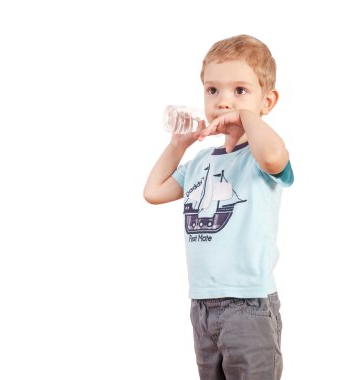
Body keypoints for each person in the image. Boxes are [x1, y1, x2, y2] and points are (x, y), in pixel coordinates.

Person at [143, 34, 294, 380]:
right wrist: (178, 144)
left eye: (240, 91)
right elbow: (153, 191)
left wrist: (248, 119)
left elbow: (273, 155)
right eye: (213, 90)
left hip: (249, 304)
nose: (224, 101)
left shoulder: (259, 157)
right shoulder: (199, 163)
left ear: (267, 101)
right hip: (202, 304)